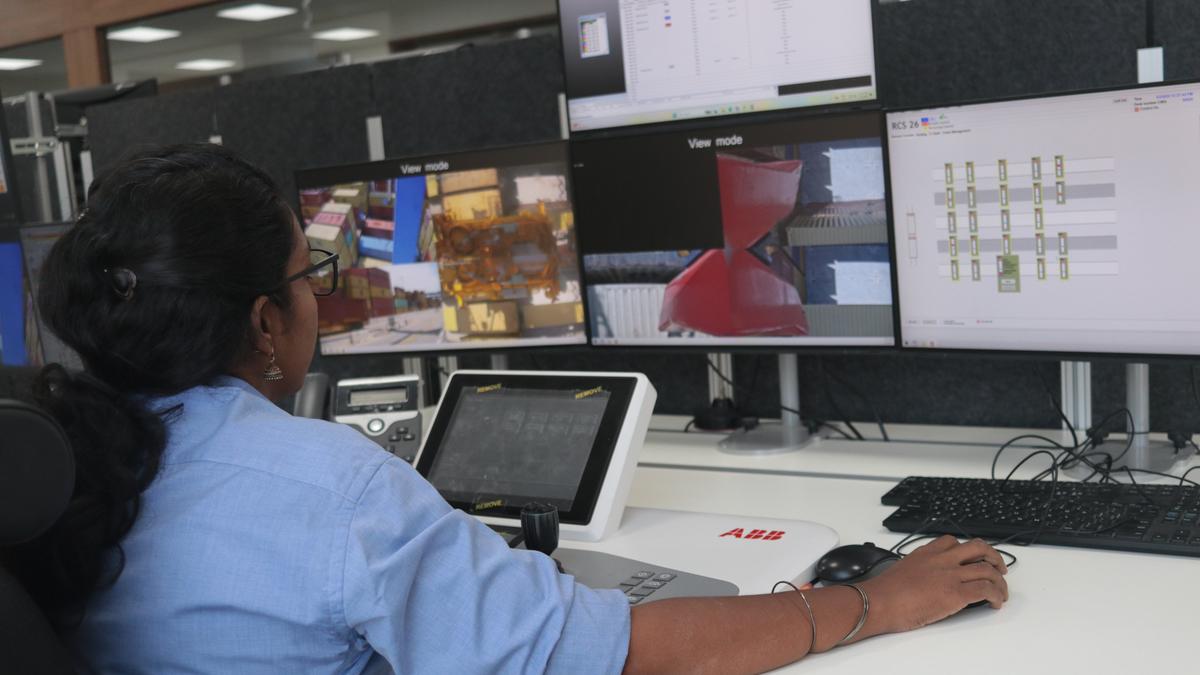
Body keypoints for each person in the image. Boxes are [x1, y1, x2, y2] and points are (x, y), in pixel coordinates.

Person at [6, 145, 1008, 674]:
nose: (322, 292)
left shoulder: (61, 458)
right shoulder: (327, 490)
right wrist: (873, 602)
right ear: (268, 324)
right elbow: (617, 652)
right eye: (309, 274)